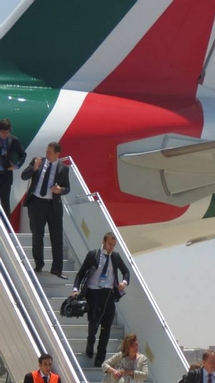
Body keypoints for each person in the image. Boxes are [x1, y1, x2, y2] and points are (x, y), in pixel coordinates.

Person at [72, 232, 130, 367]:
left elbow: (126, 272)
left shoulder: (115, 257)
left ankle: (100, 356)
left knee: (106, 326)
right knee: (93, 323)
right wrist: (75, 289)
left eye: (113, 245)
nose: (111, 247)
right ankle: (90, 342)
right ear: (103, 242)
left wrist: (124, 282)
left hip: (108, 294)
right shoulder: (93, 255)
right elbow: (81, 274)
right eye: (109, 244)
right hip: (93, 293)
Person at [21, 142, 70, 278]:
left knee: (57, 237)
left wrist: (60, 190)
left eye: (50, 152)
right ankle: (39, 264)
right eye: (47, 151)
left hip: (53, 206)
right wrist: (33, 168)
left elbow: (67, 188)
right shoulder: (38, 161)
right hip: (37, 203)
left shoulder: (63, 169)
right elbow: (24, 176)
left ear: (57, 154)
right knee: (37, 235)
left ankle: (57, 269)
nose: (46, 154)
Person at [0, 118, 27, 217]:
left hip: (6, 175)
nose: (4, 135)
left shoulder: (14, 140)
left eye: (7, 132)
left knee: (5, 202)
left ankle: (7, 224)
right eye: (2, 132)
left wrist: (16, 166)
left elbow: (23, 154)